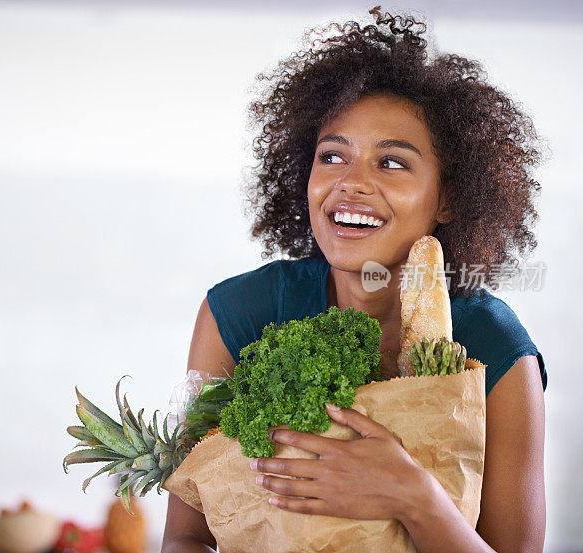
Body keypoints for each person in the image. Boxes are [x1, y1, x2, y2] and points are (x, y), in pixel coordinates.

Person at [161, 6, 547, 553]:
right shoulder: (240, 313)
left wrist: (413, 495)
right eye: (332, 156)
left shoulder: (495, 345)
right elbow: (185, 539)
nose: (350, 183)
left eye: (391, 163)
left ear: (450, 198)